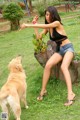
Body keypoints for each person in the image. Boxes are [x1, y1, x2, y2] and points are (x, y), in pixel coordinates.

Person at [20, 6, 75, 106]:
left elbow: (45, 26)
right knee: (48, 65)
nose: (47, 16)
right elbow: (38, 38)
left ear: (53, 14)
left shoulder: (56, 23)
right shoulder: (48, 28)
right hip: (60, 50)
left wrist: (28, 25)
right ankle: (43, 90)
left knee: (63, 67)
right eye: (46, 14)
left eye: (48, 14)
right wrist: (34, 25)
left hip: (68, 49)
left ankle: (70, 94)